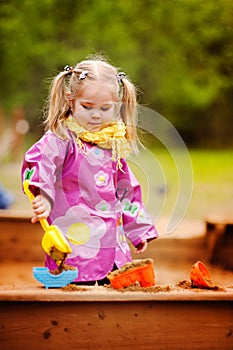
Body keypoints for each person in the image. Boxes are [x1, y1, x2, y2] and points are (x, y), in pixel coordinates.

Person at [22, 56, 158, 285]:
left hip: (112, 244)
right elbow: (40, 161)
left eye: (106, 108)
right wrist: (43, 196)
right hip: (76, 243)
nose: (96, 115)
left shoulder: (111, 141)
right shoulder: (62, 137)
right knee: (76, 293)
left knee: (111, 296)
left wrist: (138, 229)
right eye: (87, 107)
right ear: (70, 100)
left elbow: (127, 189)